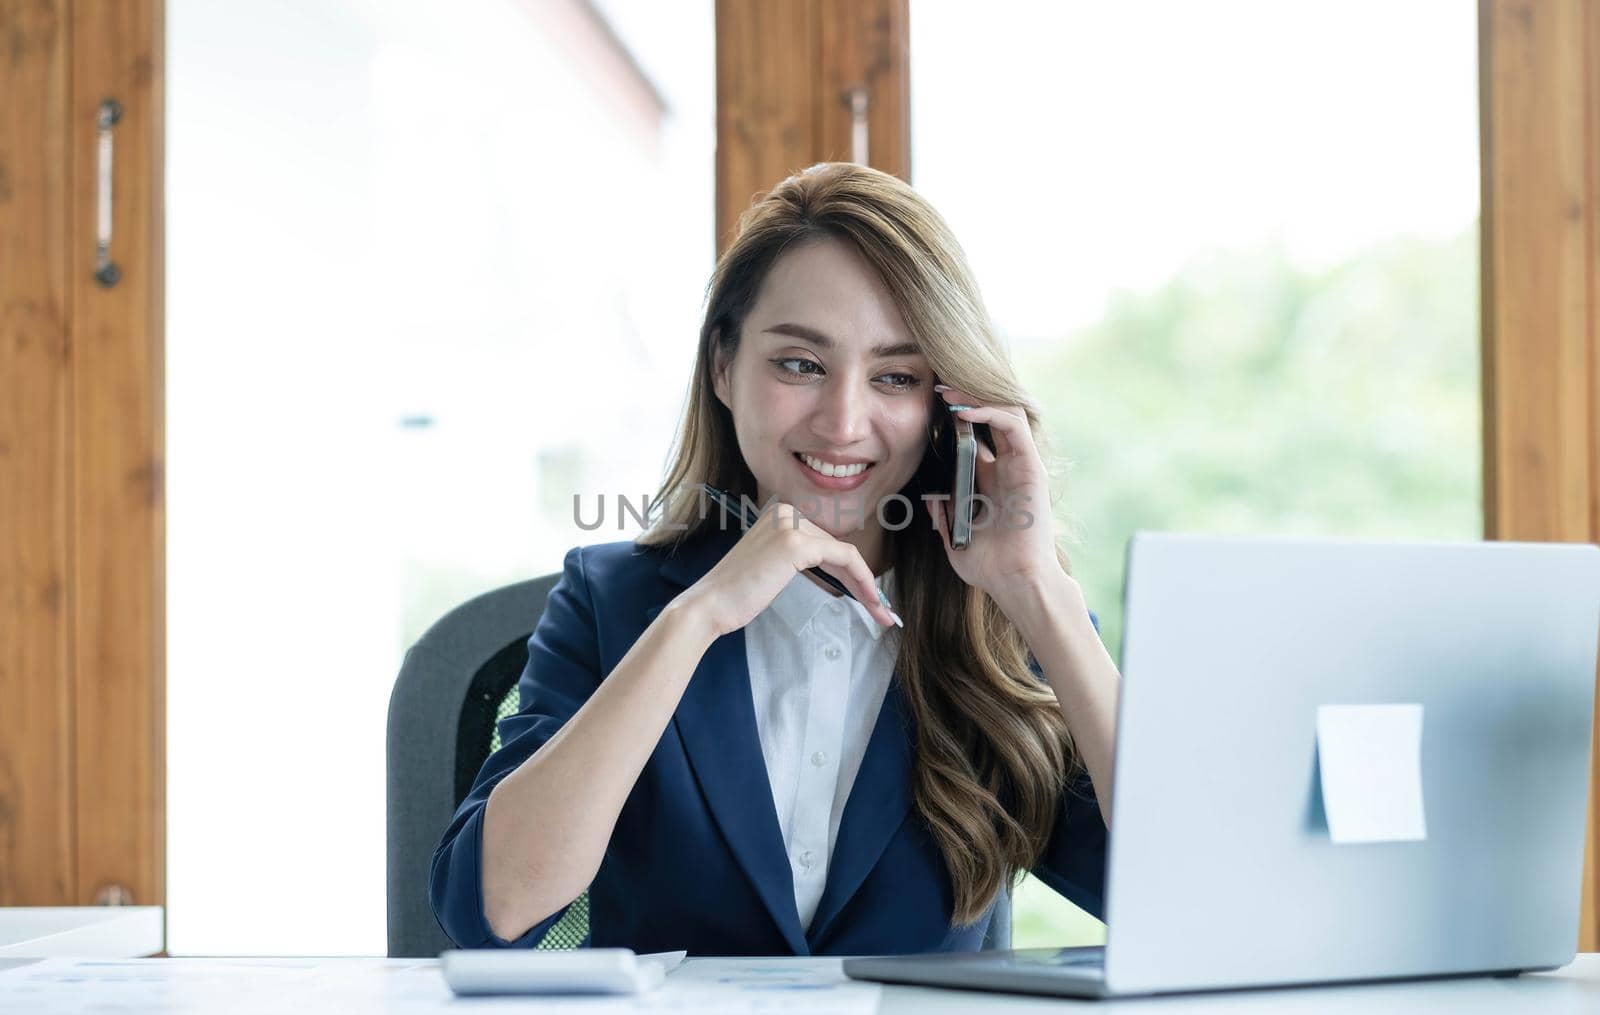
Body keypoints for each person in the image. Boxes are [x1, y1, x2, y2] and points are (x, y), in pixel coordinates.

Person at [429, 162, 1122, 956]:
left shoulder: (1005, 621)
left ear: (947, 405)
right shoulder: (612, 599)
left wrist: (1041, 590)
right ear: (724, 366)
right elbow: (494, 909)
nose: (843, 421)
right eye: (800, 363)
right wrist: (698, 617)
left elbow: (1182, 900)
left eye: (896, 376)